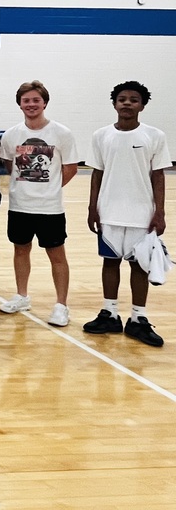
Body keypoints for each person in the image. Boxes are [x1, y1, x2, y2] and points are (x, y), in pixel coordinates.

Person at [83, 81, 170, 346]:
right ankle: (110, 313)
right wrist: (92, 208)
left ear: (142, 106)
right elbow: (97, 173)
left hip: (141, 215)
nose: (127, 103)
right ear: (114, 104)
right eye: (122, 99)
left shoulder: (154, 136)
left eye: (134, 99)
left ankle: (138, 318)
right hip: (108, 212)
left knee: (139, 265)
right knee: (109, 262)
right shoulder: (101, 135)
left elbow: (158, 176)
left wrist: (160, 212)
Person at [0, 81, 78, 327]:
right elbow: (9, 166)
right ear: (20, 104)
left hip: (50, 208)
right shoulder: (11, 135)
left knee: (57, 255)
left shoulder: (61, 133)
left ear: (44, 103)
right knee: (21, 250)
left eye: (36, 100)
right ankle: (22, 296)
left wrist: (49, 188)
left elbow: (71, 168)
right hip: (19, 206)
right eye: (26, 100)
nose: (31, 104)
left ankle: (61, 305)